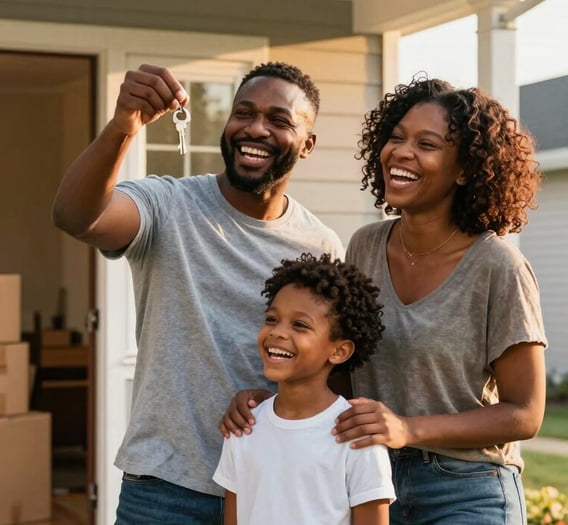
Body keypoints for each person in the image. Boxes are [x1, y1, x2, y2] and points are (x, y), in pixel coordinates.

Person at [220, 77, 548, 524]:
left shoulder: (498, 265)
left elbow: (525, 413)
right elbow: (341, 367)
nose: (401, 153)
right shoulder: (365, 246)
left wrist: (407, 428)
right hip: (368, 474)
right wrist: (279, 401)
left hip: (465, 486)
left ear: (466, 169)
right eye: (396, 138)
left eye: (426, 144)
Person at [51, 62, 344, 524]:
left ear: (307, 144)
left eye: (279, 120)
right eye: (243, 113)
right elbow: (74, 215)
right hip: (165, 490)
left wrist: (278, 400)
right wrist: (123, 126)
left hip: (271, 486)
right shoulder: (168, 205)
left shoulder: (321, 247)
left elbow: (328, 365)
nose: (255, 128)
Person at [212, 252, 395, 525]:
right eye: (272, 319)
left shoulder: (356, 434)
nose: (277, 332)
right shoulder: (243, 427)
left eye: (299, 325)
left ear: (339, 351)